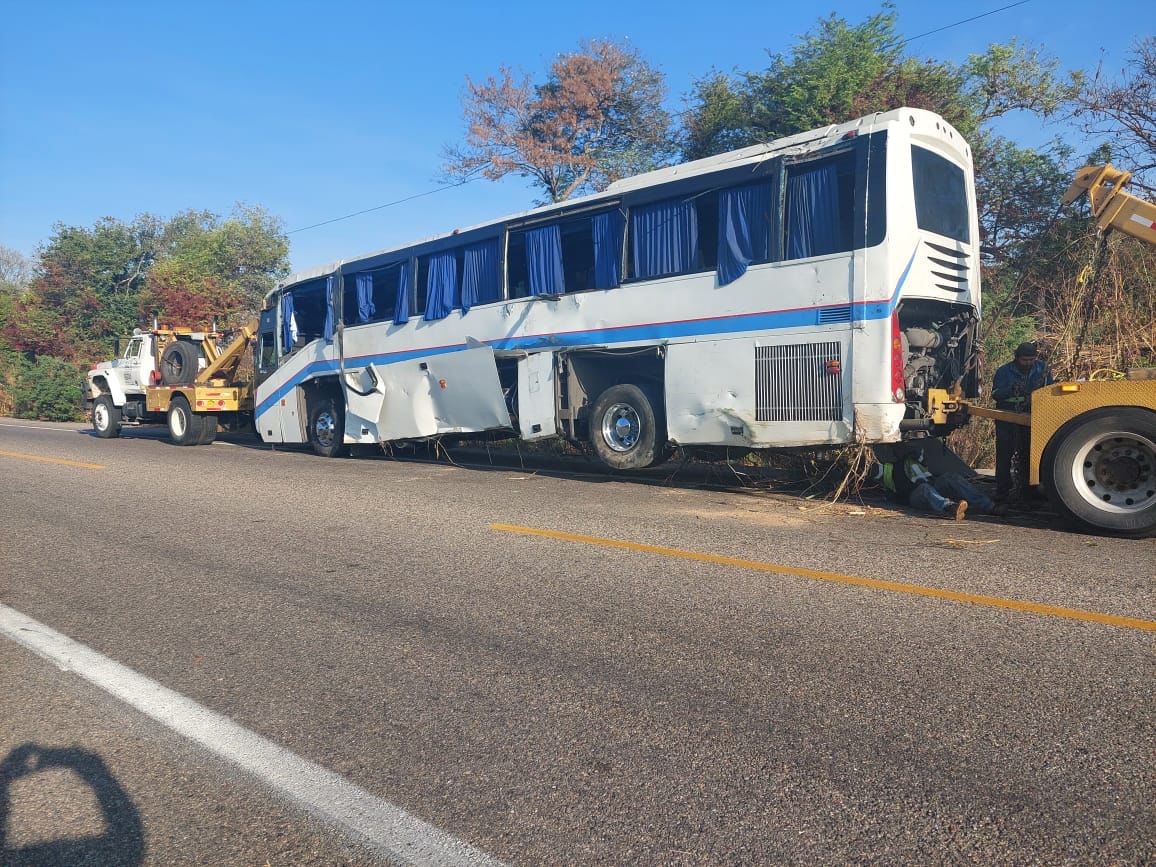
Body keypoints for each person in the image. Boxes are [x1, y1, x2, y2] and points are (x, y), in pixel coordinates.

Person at [990, 342, 1054, 502]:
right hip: (1007, 417)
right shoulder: (1004, 371)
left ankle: (1029, 492)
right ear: (1017, 358)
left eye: (1031, 360)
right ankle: (1002, 490)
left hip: (1032, 417)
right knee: (1005, 453)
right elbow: (996, 394)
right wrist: (1010, 390)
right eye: (1025, 360)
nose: (1028, 363)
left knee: (1029, 454)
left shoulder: (1042, 370)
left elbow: (1050, 391)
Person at [872, 451, 1005, 520]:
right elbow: (874, 475)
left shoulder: (914, 457)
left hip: (931, 484)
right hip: (913, 495)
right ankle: (950, 508)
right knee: (925, 488)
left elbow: (926, 465)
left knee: (950, 477)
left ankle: (990, 506)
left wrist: (917, 456)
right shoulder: (886, 468)